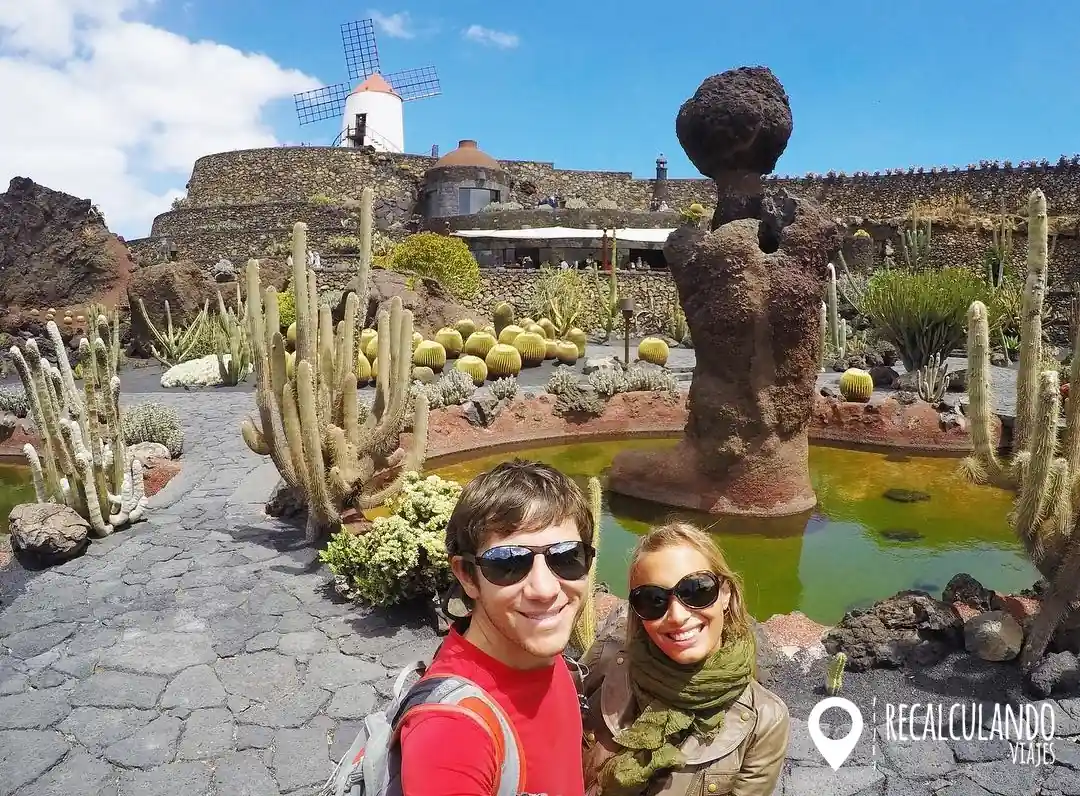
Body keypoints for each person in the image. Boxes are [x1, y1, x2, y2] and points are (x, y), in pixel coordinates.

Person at [398, 459, 595, 796]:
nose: (545, 589)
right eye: (509, 562)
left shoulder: (536, 651)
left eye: (565, 557)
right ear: (466, 575)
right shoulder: (451, 734)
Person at [580, 522, 789, 796]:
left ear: (725, 594)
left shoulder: (764, 720)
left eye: (696, 590)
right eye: (653, 600)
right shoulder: (607, 658)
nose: (677, 616)